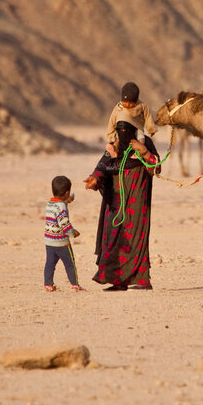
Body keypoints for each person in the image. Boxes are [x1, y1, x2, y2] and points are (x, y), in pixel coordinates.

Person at [85, 113, 160, 291]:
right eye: (120, 131)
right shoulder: (114, 146)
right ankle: (118, 281)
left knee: (135, 238)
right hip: (116, 202)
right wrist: (95, 178)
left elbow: (156, 166)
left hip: (137, 200)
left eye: (126, 130)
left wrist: (144, 151)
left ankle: (142, 280)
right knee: (113, 238)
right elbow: (103, 165)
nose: (123, 134)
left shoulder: (144, 144)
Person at [43, 175, 83, 292]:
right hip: (62, 242)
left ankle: (48, 284)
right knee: (70, 264)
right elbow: (64, 223)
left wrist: (67, 200)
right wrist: (72, 233)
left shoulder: (50, 203)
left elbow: (60, 205)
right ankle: (75, 284)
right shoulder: (62, 207)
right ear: (66, 192)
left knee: (50, 263)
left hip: (49, 241)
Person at [105, 82, 157, 157]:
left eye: (130, 103)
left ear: (135, 101)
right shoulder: (119, 106)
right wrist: (110, 136)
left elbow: (148, 116)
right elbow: (112, 120)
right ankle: (114, 149)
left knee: (140, 137)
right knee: (118, 138)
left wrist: (151, 129)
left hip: (137, 126)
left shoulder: (141, 105)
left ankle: (139, 150)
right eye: (124, 102)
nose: (127, 105)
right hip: (122, 127)